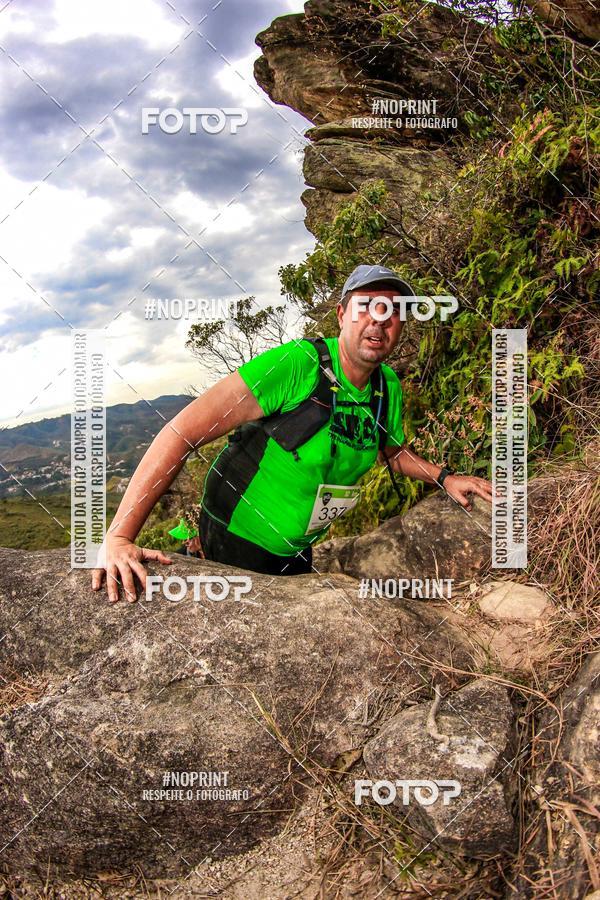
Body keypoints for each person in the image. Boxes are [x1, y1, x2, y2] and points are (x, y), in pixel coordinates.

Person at [92, 264, 493, 602]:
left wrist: (444, 477)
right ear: (342, 315)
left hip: (298, 548)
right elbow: (181, 432)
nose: (379, 319)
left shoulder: (386, 386)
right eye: (367, 306)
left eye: (393, 311)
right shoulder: (297, 364)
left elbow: (390, 451)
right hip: (235, 539)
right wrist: (120, 537)